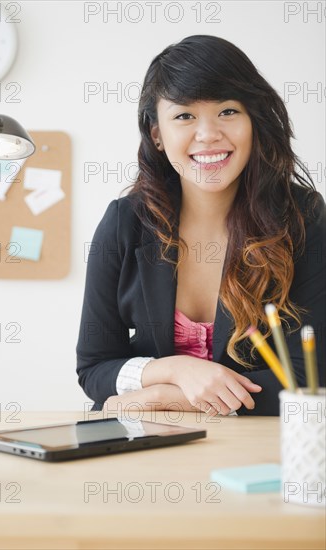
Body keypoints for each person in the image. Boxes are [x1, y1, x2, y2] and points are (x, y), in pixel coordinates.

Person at [76, 35, 325, 416]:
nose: (208, 134)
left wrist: (166, 396)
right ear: (157, 134)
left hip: (255, 449)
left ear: (253, 121)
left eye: (227, 111)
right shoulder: (125, 223)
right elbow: (94, 368)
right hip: (147, 447)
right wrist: (176, 369)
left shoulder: (302, 217)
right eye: (184, 116)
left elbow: (309, 378)